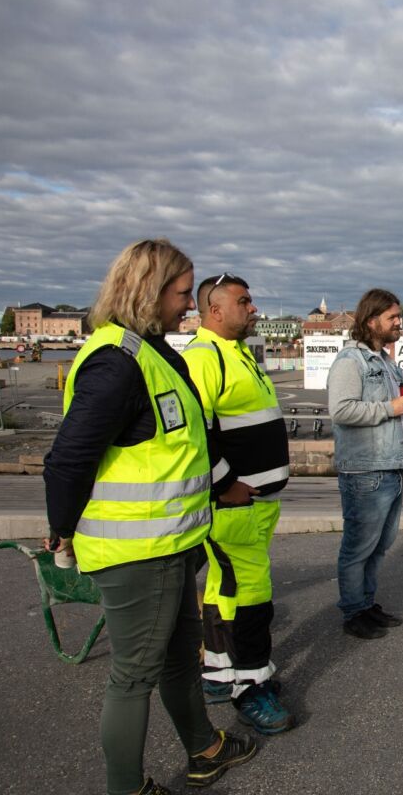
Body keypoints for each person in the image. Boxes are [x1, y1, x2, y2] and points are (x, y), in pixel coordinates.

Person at [43, 239, 256, 794]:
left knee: (178, 660)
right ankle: (127, 787)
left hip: (170, 544)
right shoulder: (116, 364)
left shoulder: (151, 351)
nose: (190, 305)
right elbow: (68, 458)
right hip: (139, 552)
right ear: (148, 290)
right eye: (184, 294)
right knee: (133, 675)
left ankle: (204, 748)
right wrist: (60, 531)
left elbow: (180, 444)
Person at [182, 273, 294, 734]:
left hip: (255, 502)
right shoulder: (204, 358)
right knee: (251, 594)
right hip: (235, 505)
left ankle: (218, 671)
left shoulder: (238, 353)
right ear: (215, 310)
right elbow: (195, 432)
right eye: (244, 301)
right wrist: (226, 483)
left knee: (222, 588)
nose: (253, 309)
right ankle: (251, 685)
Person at [328, 288, 403, 639]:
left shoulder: (384, 360)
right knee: (358, 547)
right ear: (371, 321)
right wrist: (389, 409)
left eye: (399, 316)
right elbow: (342, 409)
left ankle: (366, 603)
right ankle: (353, 612)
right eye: (393, 317)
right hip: (366, 470)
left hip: (391, 468)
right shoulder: (352, 361)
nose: (399, 322)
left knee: (379, 546)